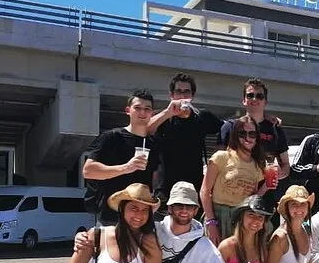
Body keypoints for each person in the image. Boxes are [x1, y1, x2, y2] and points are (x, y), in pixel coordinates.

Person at [219, 78, 290, 226]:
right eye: (250, 95)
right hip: (232, 198)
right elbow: (218, 163)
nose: (254, 99)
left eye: (259, 96)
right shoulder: (230, 127)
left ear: (265, 102)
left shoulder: (275, 129)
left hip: (265, 200)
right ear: (243, 100)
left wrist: (276, 174)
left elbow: (286, 167)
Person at [83, 90, 160, 225]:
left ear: (151, 113)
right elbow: (88, 171)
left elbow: (154, 178)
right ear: (128, 110)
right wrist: (126, 168)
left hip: (141, 218)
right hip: (111, 216)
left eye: (147, 109)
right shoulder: (112, 137)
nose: (142, 112)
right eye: (137, 108)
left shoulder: (154, 144)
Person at [149, 73, 222, 208]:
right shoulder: (163, 118)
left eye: (186, 92)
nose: (182, 96)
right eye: (178, 91)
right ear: (171, 95)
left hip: (194, 189)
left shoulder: (202, 117)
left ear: (192, 95)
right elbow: (145, 130)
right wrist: (168, 112)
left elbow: (228, 130)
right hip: (166, 190)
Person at [200, 115, 270, 245]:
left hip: (241, 219)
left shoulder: (258, 165)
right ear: (235, 136)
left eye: (252, 134)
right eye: (242, 133)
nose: (247, 138)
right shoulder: (221, 157)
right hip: (218, 216)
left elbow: (251, 199)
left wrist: (266, 186)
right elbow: (205, 191)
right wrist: (211, 222)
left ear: (257, 137)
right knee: (212, 256)